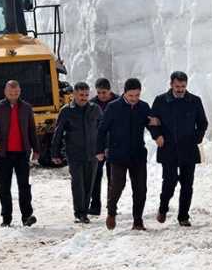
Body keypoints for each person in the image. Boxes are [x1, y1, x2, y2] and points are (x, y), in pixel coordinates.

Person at [96, 78, 159, 231]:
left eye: (137, 95)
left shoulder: (143, 107)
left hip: (137, 154)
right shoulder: (113, 107)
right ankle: (111, 212)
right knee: (117, 186)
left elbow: (150, 123)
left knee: (140, 189)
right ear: (124, 93)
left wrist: (157, 134)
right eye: (131, 96)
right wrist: (99, 150)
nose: (134, 99)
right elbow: (102, 130)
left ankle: (138, 221)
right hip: (118, 154)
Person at [151, 71, 208, 227]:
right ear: (171, 84)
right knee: (169, 181)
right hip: (168, 148)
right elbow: (152, 122)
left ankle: (183, 216)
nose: (180, 89)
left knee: (187, 184)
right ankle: (163, 208)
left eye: (183, 86)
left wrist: (197, 137)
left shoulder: (195, 101)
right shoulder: (160, 101)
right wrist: (157, 136)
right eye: (177, 86)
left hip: (188, 148)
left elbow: (203, 123)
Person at [0, 80, 40, 227]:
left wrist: (36, 150)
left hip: (22, 153)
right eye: (11, 92)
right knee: (4, 187)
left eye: (16, 92)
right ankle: (6, 219)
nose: (13, 95)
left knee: (24, 186)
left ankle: (27, 216)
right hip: (3, 154)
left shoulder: (26, 108)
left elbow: (31, 131)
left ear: (20, 91)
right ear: (5, 92)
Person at [51, 82, 103, 224]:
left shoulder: (95, 109)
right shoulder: (66, 111)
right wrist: (55, 153)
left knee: (89, 183)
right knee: (77, 183)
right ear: (74, 94)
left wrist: (104, 148)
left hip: (92, 153)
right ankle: (79, 212)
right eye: (81, 95)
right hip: (74, 153)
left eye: (86, 95)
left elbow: (103, 130)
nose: (84, 98)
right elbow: (58, 132)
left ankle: (84, 212)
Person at [88, 77, 118, 216]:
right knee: (95, 177)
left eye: (104, 92)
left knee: (113, 178)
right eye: (99, 92)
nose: (101, 95)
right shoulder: (92, 104)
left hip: (114, 145)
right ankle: (95, 206)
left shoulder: (118, 102)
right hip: (98, 146)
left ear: (110, 91)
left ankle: (111, 205)